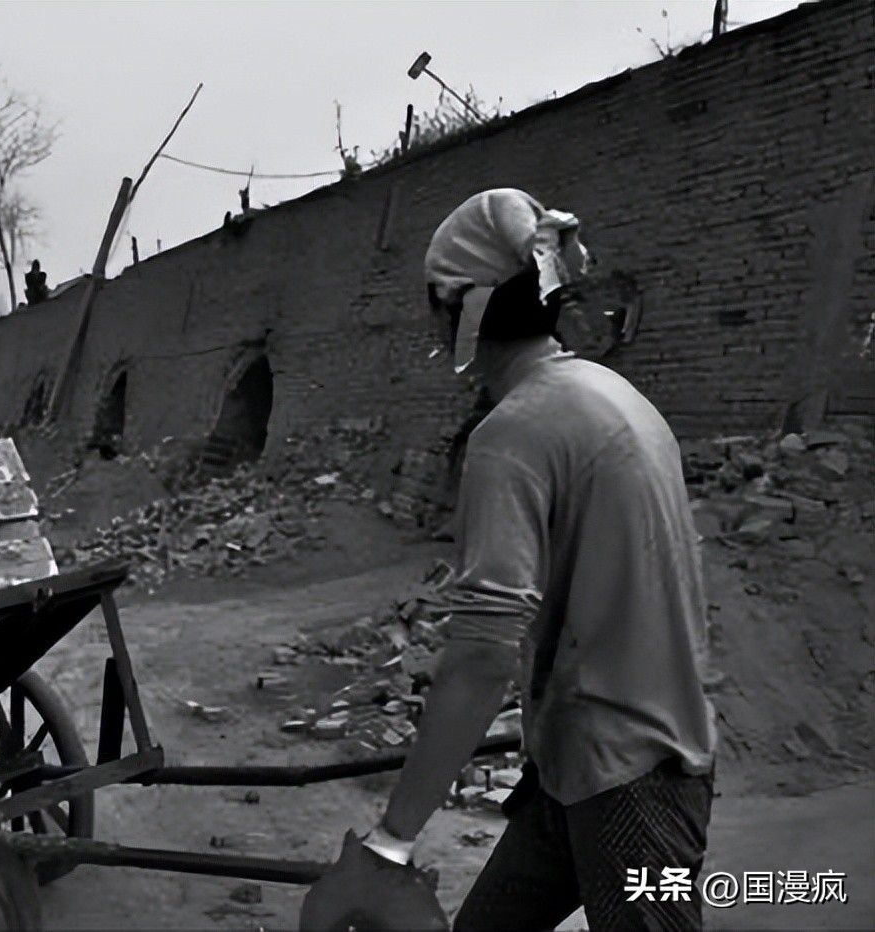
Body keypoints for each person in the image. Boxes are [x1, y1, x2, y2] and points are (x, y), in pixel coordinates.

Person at [301, 189, 717, 932]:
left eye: (437, 303)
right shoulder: (612, 394)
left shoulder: (512, 435)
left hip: (627, 777)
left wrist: (392, 841)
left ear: (460, 311)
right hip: (583, 760)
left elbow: (482, 656)